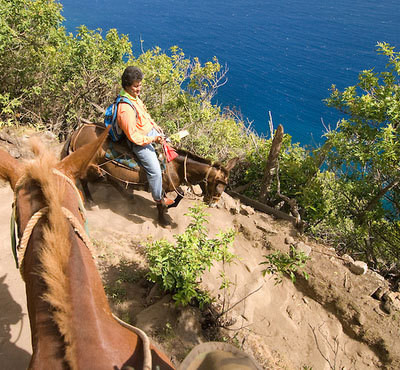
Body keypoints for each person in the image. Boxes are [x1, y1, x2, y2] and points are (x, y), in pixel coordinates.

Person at [116, 66, 174, 207]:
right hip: (139, 142)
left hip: (149, 132)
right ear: (127, 86)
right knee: (155, 172)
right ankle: (159, 198)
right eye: (136, 86)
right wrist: (153, 139)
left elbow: (144, 114)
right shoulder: (125, 108)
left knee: (170, 144)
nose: (139, 89)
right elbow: (133, 136)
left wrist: (154, 125)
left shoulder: (134, 97)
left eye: (140, 85)